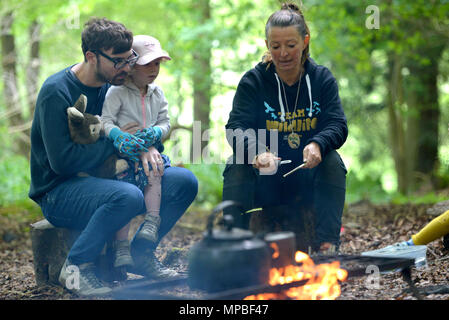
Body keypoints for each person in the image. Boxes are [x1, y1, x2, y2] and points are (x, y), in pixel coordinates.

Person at [29, 18, 198, 297]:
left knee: (183, 181)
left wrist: (147, 145)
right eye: (118, 61)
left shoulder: (114, 88)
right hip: (58, 192)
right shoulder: (56, 91)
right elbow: (63, 162)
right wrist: (116, 143)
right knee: (128, 196)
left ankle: (142, 255)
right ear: (91, 57)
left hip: (107, 178)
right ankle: (75, 267)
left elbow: (137, 133)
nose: (127, 67)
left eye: (129, 59)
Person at [222, 3, 348, 254]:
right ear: (267, 45)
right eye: (275, 46)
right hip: (265, 177)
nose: (283, 54)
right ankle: (232, 245)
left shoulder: (321, 79)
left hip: (306, 177)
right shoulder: (254, 81)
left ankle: (327, 245)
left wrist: (318, 144)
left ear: (304, 41)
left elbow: (337, 124)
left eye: (291, 45)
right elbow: (236, 127)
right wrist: (257, 153)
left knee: (333, 162)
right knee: (236, 163)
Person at [101, 35, 172, 268]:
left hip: (148, 149)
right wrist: (118, 135)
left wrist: (155, 133)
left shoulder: (157, 93)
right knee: (127, 191)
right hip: (123, 154)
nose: (154, 70)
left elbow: (166, 123)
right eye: (147, 64)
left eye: (157, 64)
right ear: (131, 66)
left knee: (155, 172)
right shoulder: (117, 92)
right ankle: (121, 247)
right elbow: (106, 122)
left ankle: (152, 221)